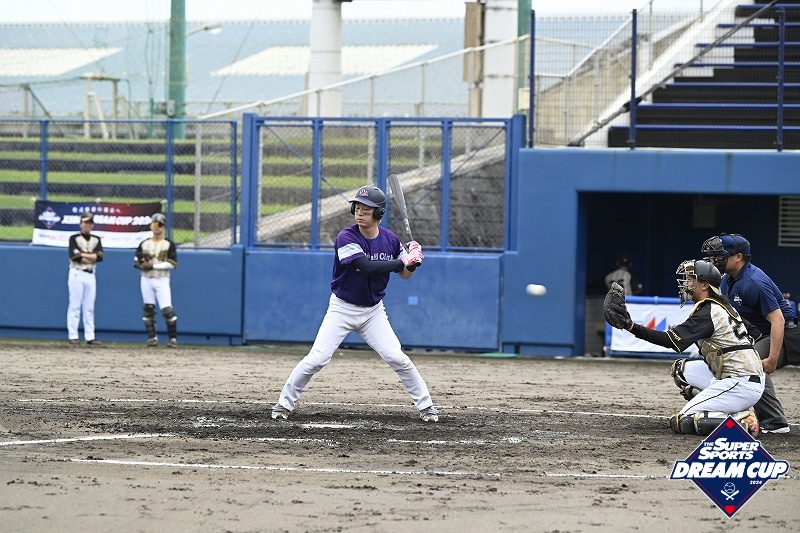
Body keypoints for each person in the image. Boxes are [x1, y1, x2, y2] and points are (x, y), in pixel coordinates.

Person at [271, 185, 439, 422]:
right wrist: (403, 261)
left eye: (366, 210)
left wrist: (413, 262)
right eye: (357, 208)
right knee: (317, 358)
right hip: (342, 308)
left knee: (397, 357)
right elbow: (365, 266)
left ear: (379, 213)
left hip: (373, 312)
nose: (359, 213)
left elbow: (405, 275)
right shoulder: (346, 237)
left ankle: (427, 406)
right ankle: (283, 404)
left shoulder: (390, 240)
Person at [605, 259, 764, 436]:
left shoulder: (709, 311)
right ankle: (730, 406)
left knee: (683, 420)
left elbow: (670, 341)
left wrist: (631, 327)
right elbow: (756, 334)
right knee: (681, 370)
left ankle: (741, 421)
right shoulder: (723, 307)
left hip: (739, 382)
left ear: (704, 285)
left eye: (690, 279)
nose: (685, 284)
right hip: (741, 377)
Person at [702, 233, 796, 434]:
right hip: (762, 334)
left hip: (786, 335)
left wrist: (772, 358)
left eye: (720, 255)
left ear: (738, 257)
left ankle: (775, 421)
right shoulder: (727, 279)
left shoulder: (754, 281)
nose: (715, 260)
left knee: (749, 365)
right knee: (739, 362)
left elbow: (778, 320)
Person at [133, 212, 179, 348]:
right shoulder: (144, 244)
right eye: (154, 224)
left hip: (161, 279)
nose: (156, 227)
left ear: (163, 227)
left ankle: (172, 339)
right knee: (148, 308)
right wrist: (142, 265)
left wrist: (153, 266)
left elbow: (172, 263)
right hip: (146, 278)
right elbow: (136, 260)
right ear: (150, 226)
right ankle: (152, 338)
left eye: (159, 224)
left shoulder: (168, 244)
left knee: (167, 310)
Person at [67, 212, 104, 345]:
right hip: (77, 272)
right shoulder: (74, 238)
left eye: (90, 222)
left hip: (90, 274)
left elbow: (100, 257)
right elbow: (75, 256)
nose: (88, 225)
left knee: (89, 307)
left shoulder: (96, 239)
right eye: (85, 222)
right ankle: (73, 335)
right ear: (80, 224)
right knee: (75, 305)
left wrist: (84, 255)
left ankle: (90, 336)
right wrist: (91, 256)